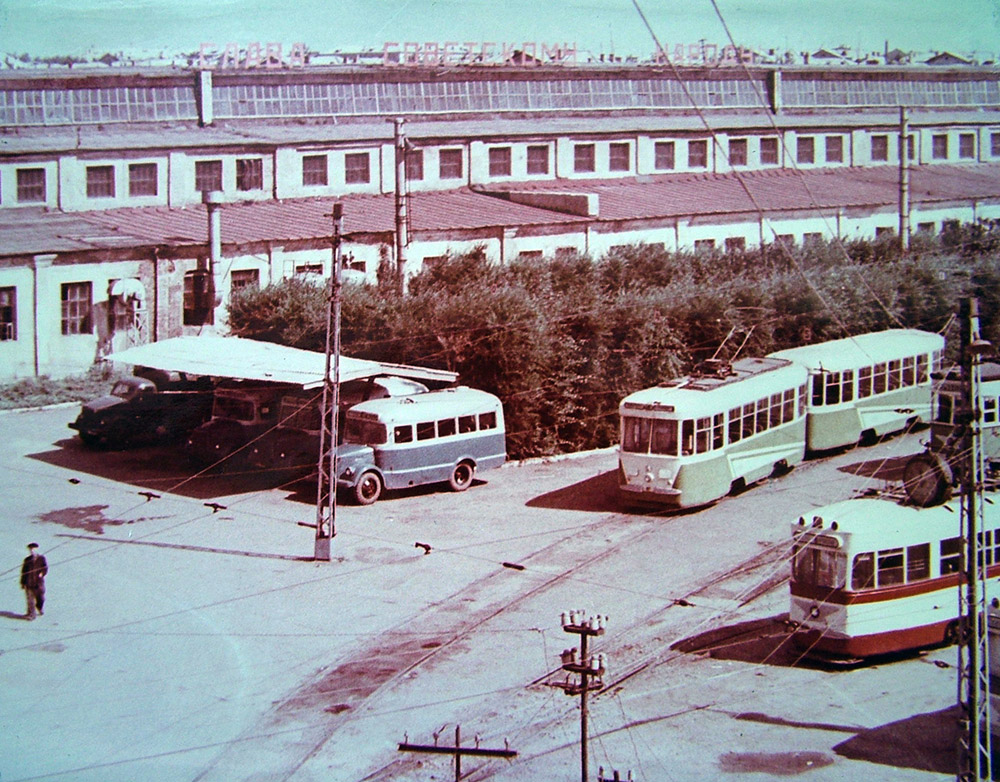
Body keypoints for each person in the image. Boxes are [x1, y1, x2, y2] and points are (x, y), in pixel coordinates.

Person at [20, 542, 47, 620]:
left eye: (33, 549)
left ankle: (39, 607)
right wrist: (22, 582)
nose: (32, 551)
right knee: (30, 599)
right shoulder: (27, 560)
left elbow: (45, 568)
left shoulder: (41, 558)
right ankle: (31, 614)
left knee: (40, 598)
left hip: (38, 583)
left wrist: (42, 573)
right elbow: (24, 572)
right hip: (29, 582)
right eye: (30, 550)